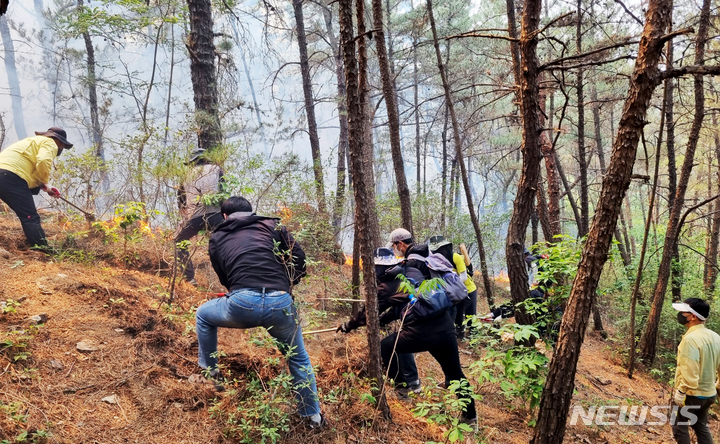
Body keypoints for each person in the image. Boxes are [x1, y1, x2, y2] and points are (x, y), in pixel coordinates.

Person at [195, 196, 323, 428]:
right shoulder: (273, 225)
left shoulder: (218, 236)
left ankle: (210, 371)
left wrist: (238, 290)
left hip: (242, 303)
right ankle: (312, 417)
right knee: (298, 357)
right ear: (251, 212)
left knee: (203, 315)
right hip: (280, 303)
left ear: (224, 216)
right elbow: (299, 258)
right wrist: (288, 283)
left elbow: (222, 273)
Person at [384, 229, 477, 422]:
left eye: (395, 246)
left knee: (385, 347)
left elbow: (411, 295)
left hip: (426, 326)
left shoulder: (411, 264)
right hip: (446, 320)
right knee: (455, 372)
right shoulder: (430, 255)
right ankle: (470, 417)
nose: (395, 250)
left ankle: (403, 388)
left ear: (400, 244)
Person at [336, 247, 422, 395]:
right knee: (398, 341)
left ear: (381, 267)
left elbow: (366, 315)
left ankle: (402, 387)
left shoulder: (386, 287)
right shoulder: (407, 273)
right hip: (434, 320)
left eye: (375, 268)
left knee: (386, 347)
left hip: (420, 325)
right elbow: (400, 306)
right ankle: (414, 382)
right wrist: (383, 319)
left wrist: (348, 326)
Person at [0, 127, 72, 250]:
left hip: (6, 174)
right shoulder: (50, 142)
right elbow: (43, 160)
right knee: (30, 217)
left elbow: (26, 168)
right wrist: (46, 181)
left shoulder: (32, 142)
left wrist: (43, 185)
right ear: (59, 142)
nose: (61, 149)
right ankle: (42, 250)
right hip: (11, 176)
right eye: (62, 146)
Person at [671, 298, 720, 444]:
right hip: (709, 394)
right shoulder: (716, 337)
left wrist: (680, 392)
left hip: (691, 395)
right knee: (700, 425)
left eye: (683, 312)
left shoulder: (690, 340)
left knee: (678, 424)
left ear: (693, 316)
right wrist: (718, 385)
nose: (680, 314)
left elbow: (689, 371)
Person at [175, 149, 225, 285]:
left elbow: (181, 201)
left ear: (192, 162)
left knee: (179, 241)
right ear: (206, 159)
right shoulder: (216, 169)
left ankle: (189, 279)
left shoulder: (186, 175)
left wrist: (186, 218)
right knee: (225, 244)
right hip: (217, 215)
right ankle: (231, 279)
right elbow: (224, 193)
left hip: (196, 217)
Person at [428, 235, 476, 339]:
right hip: (453, 293)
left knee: (470, 314)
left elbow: (463, 276)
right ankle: (459, 334)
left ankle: (474, 337)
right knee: (458, 315)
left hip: (468, 289)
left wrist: (449, 285)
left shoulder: (455, 257)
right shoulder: (437, 261)